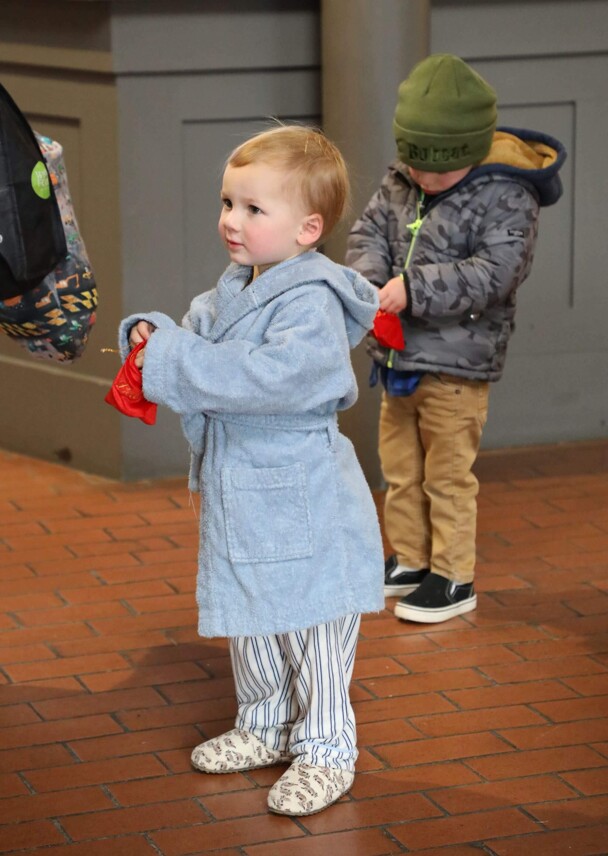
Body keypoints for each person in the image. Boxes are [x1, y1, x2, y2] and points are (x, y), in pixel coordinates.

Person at [118, 124, 384, 816]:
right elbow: (191, 337)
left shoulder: (314, 304)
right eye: (227, 202)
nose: (231, 221)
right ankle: (265, 721)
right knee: (254, 614)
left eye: (252, 209)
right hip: (243, 483)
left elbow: (272, 378)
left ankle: (327, 747)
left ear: (308, 228)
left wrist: (174, 360)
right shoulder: (235, 288)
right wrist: (152, 337)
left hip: (301, 489)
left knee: (313, 620)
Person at [345, 54, 566, 624]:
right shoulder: (404, 175)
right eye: (413, 165)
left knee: (446, 475)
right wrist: (371, 278)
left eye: (435, 173)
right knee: (400, 468)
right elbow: (369, 228)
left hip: (456, 367)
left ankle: (453, 575)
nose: (420, 179)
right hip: (399, 359)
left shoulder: (507, 197)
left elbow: (496, 273)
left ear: (467, 153)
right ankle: (413, 560)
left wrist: (412, 288)